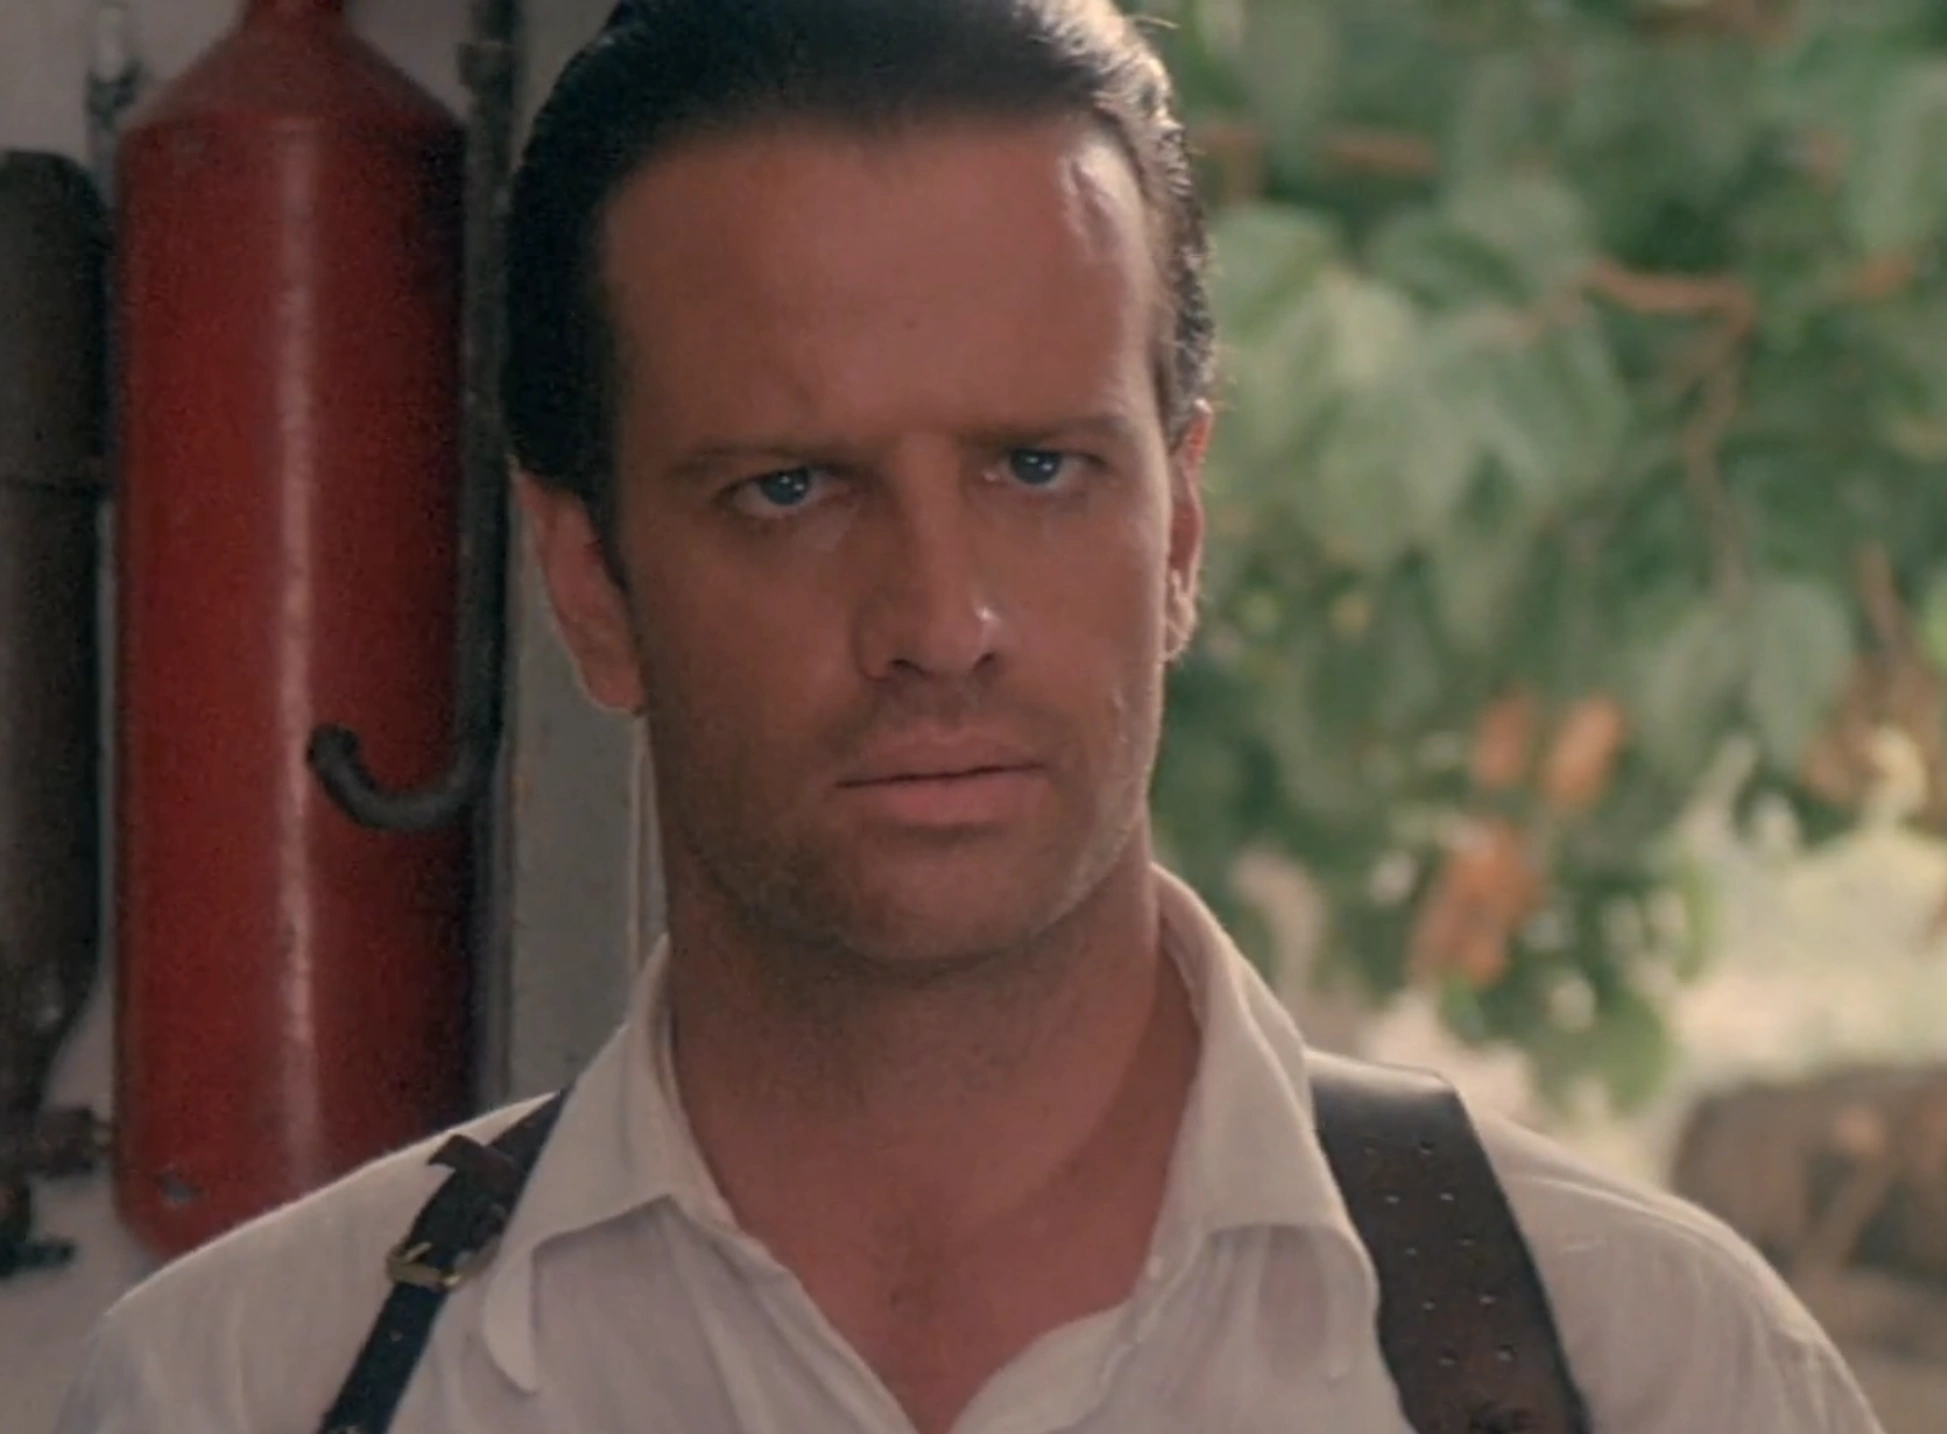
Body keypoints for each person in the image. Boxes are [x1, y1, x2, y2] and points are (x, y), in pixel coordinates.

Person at [58, 1, 1886, 1431]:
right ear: (592, 582)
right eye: (790, 487)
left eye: (1036, 467)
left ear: (1181, 530)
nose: (941, 623)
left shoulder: (1648, 1369)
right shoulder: (251, 1388)